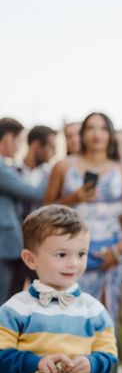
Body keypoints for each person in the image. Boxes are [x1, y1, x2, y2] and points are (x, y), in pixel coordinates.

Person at [0, 205, 117, 373]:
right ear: (31, 259)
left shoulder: (94, 311)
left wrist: (91, 365)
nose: (74, 263)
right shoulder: (15, 308)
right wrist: (36, 363)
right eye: (62, 254)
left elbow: (108, 358)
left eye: (81, 254)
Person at [45, 112, 122, 373]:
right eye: (91, 128)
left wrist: (121, 249)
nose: (97, 134)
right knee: (69, 324)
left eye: (103, 128)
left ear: (110, 134)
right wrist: (74, 196)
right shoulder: (64, 167)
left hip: (110, 256)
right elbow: (46, 210)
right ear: (81, 134)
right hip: (70, 256)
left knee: (102, 325)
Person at [8, 125, 58, 296]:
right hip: (13, 246)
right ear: (37, 145)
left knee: (45, 295)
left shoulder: (53, 174)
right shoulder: (10, 172)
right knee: (10, 295)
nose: (54, 152)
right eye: (51, 146)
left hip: (42, 246)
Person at [0, 118, 44, 303]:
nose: (20, 146)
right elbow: (33, 193)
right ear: (9, 138)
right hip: (5, 245)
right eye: (19, 140)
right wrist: (54, 172)